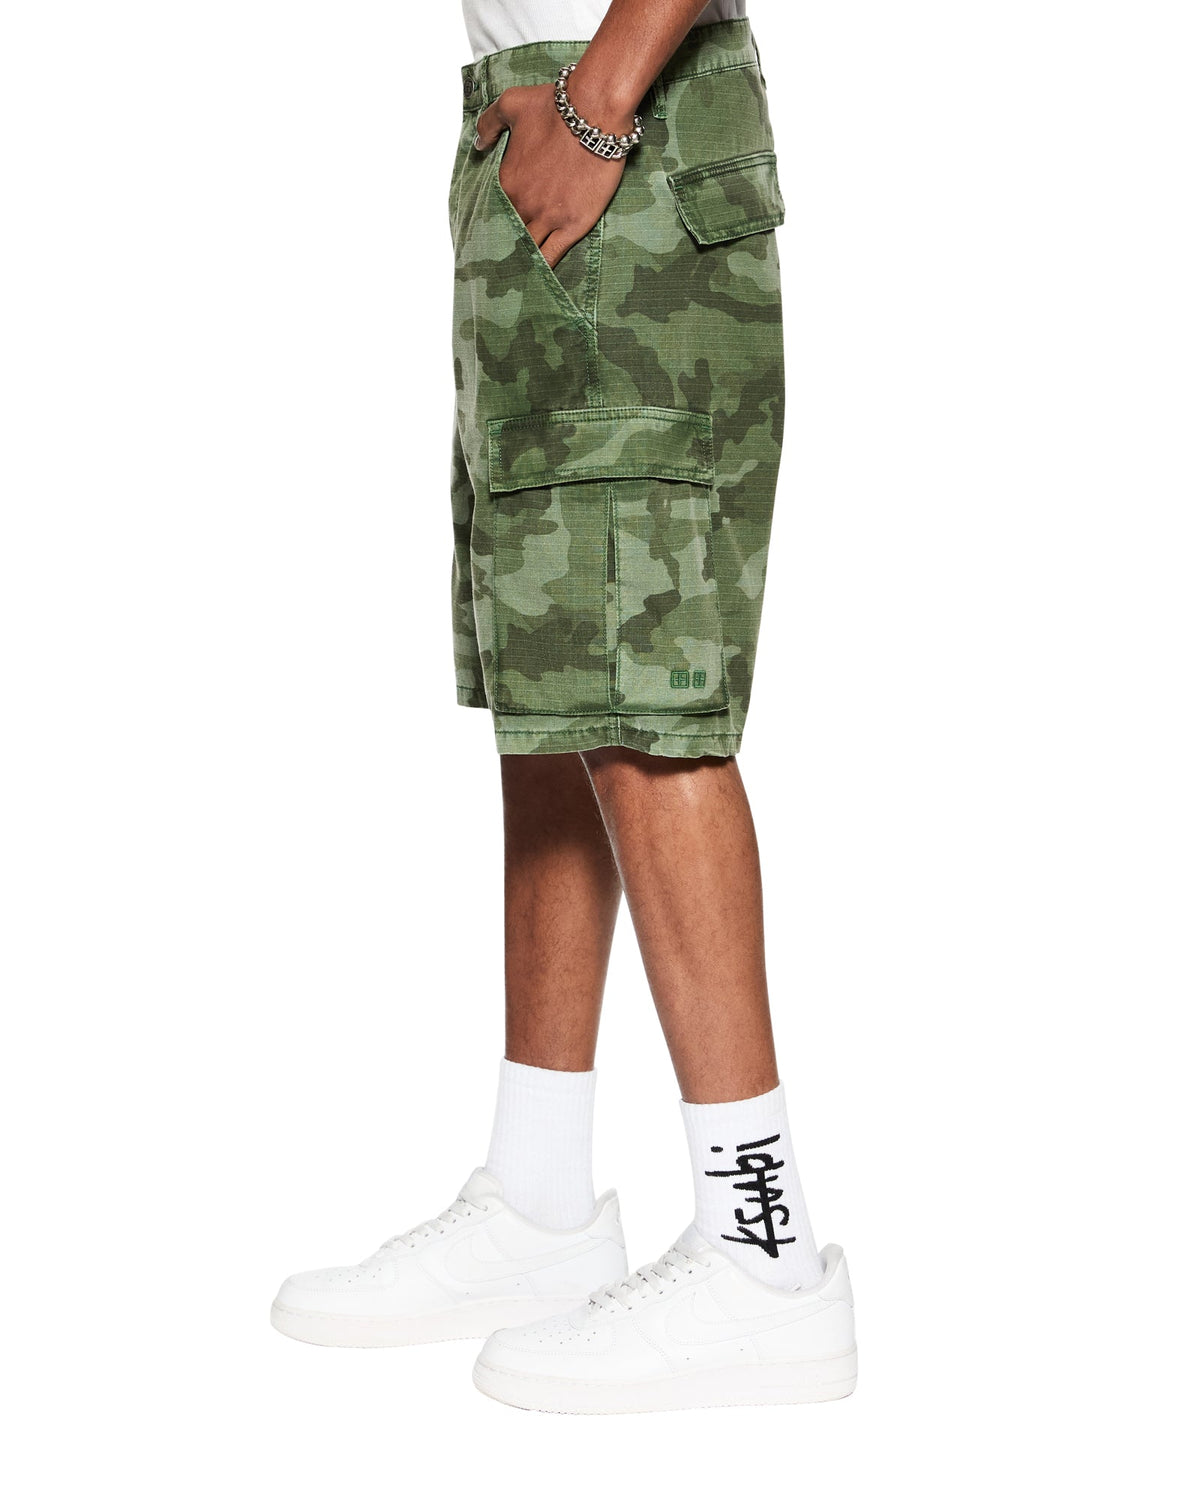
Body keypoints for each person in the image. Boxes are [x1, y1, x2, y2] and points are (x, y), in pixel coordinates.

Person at [271, 0, 856, 1414]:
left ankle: (763, 1252)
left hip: (625, 132)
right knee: (557, 691)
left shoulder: (604, 120)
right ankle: (539, 1198)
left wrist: (596, 106)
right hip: (546, 127)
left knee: (649, 702)